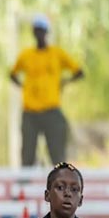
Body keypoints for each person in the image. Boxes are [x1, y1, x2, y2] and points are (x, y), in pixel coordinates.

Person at [10, 14, 83, 167]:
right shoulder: (26, 55)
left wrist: (64, 82)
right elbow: (12, 74)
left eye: (42, 30)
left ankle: (60, 184)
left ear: (46, 32)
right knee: (27, 155)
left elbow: (78, 71)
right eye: (36, 30)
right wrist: (23, 86)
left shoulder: (57, 54)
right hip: (30, 111)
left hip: (51, 109)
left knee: (57, 155)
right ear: (33, 32)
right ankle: (24, 186)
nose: (39, 33)